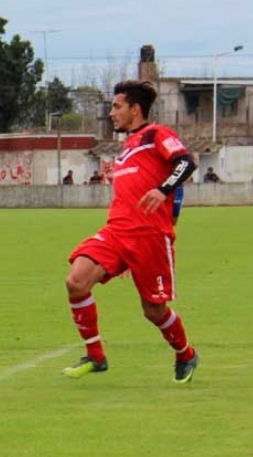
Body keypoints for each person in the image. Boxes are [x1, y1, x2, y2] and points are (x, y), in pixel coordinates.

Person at [63, 80, 199, 384]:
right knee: (76, 281)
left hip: (150, 236)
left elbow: (186, 163)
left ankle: (186, 353)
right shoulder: (128, 147)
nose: (111, 113)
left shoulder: (156, 135)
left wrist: (163, 190)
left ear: (135, 109)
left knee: (154, 310)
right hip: (116, 233)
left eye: (117, 106)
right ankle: (96, 356)